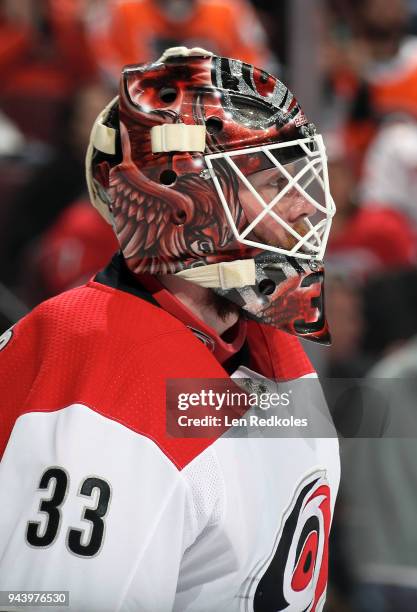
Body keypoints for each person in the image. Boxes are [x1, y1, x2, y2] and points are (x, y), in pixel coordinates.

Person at [0, 47, 339, 611]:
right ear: (180, 201)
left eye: (301, 174)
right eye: (271, 178)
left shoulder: (261, 342)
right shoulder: (99, 381)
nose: (305, 207)